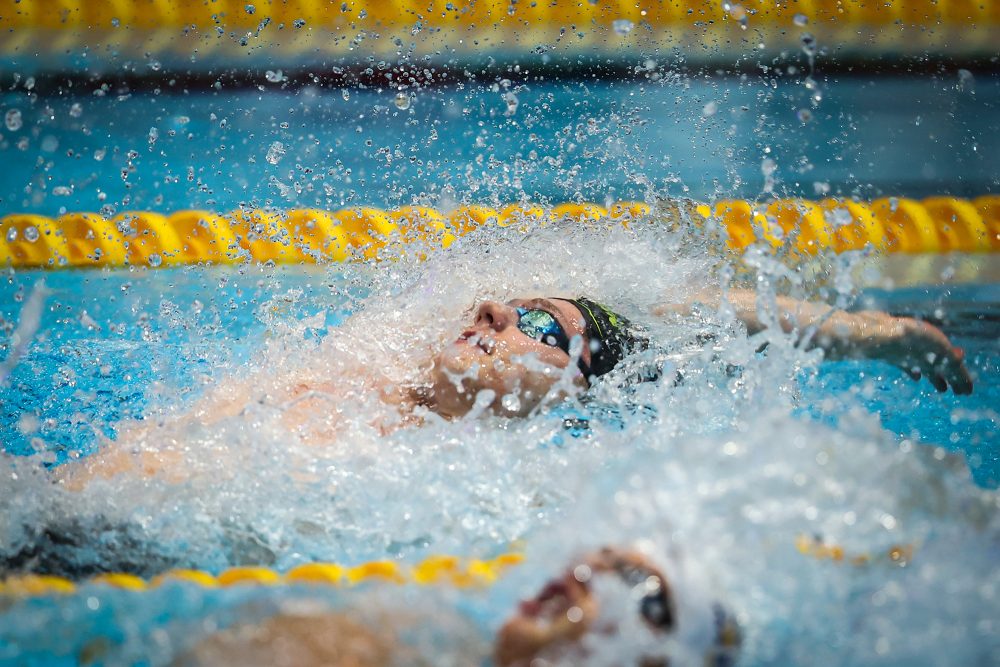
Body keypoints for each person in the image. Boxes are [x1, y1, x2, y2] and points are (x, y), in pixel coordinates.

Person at [55, 288, 971, 488]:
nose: (492, 307)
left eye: (538, 327)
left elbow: (678, 335)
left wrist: (879, 338)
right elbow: (690, 311)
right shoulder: (345, 371)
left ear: (569, 392)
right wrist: (876, 336)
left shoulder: (457, 487)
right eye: (508, 302)